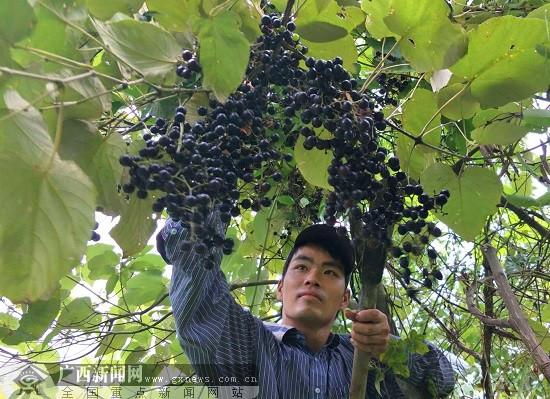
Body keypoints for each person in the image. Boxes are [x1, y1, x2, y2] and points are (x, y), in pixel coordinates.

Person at [157, 210, 455, 398]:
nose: (313, 278)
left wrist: (388, 348)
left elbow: (443, 377)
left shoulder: (364, 357)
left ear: (344, 299)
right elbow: (198, 291)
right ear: (280, 288)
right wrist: (218, 169)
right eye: (301, 267)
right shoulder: (251, 345)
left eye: (330, 272)